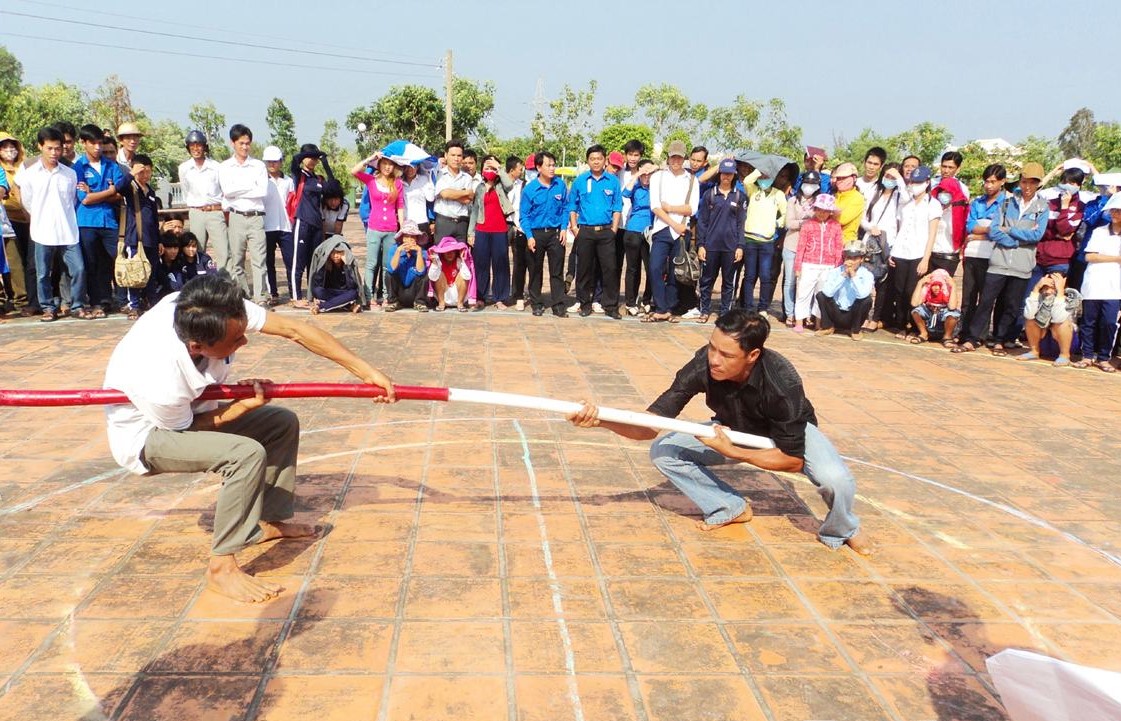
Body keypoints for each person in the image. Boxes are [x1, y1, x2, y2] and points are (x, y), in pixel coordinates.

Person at [103, 272, 395, 602]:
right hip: (148, 435)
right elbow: (187, 430)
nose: (245, 342)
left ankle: (265, 522)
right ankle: (221, 568)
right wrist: (240, 408)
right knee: (244, 454)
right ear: (198, 346)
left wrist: (366, 372)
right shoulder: (159, 373)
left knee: (279, 423)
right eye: (236, 340)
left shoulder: (210, 307)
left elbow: (295, 330)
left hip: (187, 413)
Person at [567, 309, 871, 553]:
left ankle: (842, 529)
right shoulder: (704, 364)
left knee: (836, 480)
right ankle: (729, 506)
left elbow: (792, 461)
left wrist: (732, 452)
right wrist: (602, 420)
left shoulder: (782, 381)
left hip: (785, 436)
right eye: (712, 347)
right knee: (665, 451)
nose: (714, 358)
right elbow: (650, 426)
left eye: (726, 355)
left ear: (752, 356)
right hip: (733, 430)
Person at [956, 162, 1049, 355]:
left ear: (1039, 184)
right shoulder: (1007, 203)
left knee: (1010, 305)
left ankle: (999, 340)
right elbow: (996, 230)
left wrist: (1011, 230)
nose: (1027, 187)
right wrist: (1016, 239)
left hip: (1022, 264)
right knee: (986, 301)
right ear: (1020, 181)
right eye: (1024, 182)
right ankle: (972, 338)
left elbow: (1037, 235)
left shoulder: (1042, 207)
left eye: (1033, 182)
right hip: (999, 261)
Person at [16, 127, 87, 321]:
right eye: (50, 148)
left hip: (68, 230)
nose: (54, 153)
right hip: (42, 231)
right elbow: (27, 202)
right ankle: (47, 307)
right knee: (42, 273)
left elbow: (73, 200)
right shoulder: (30, 174)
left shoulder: (69, 174)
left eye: (58, 148)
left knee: (78, 269)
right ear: (40, 147)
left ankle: (77, 305)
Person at [73, 123, 127, 317]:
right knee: (93, 264)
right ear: (83, 143)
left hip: (109, 220)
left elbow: (120, 193)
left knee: (118, 259)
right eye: (92, 143)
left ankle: (123, 300)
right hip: (87, 222)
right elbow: (84, 199)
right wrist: (109, 190)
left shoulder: (111, 165)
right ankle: (98, 302)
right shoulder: (78, 167)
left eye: (99, 143)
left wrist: (99, 192)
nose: (97, 147)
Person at [568, 144, 623, 319]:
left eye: (599, 158)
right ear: (588, 161)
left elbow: (617, 206)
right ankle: (585, 303)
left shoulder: (613, 181)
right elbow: (572, 206)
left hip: (606, 231)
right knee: (584, 270)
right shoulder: (580, 181)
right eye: (592, 159)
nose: (596, 162)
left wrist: (614, 228)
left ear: (605, 160)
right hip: (585, 231)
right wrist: (575, 227)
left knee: (610, 269)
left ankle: (610, 306)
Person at [646, 140, 699, 323]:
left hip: (683, 231)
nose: (676, 160)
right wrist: (672, 221)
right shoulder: (657, 177)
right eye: (673, 157)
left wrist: (671, 208)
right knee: (654, 268)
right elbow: (656, 206)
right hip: (662, 228)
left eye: (679, 157)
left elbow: (691, 209)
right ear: (668, 157)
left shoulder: (692, 180)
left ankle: (669, 307)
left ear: (684, 158)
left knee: (677, 271)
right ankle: (660, 305)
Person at [885, 166, 941, 336]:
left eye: (919, 182)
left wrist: (926, 259)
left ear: (927, 182)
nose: (915, 185)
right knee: (900, 290)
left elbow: (932, 234)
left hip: (918, 253)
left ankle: (914, 325)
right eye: (913, 182)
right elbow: (900, 229)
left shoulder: (933, 204)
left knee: (913, 291)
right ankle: (901, 324)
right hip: (902, 251)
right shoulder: (906, 204)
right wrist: (893, 251)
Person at [217, 124, 269, 305]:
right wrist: (249, 187)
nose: (245, 147)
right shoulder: (225, 167)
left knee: (259, 260)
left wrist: (238, 190)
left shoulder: (258, 166)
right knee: (236, 261)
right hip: (236, 217)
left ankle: (260, 297)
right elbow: (228, 191)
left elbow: (262, 191)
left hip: (256, 217)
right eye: (241, 143)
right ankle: (244, 296)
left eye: (248, 143)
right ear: (233, 143)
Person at [1074, 194, 1121, 371]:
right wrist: (1116, 258)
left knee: (1109, 322)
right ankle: (1086, 355)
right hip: (1094, 282)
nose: (1115, 213)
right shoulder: (1099, 232)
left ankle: (1103, 357)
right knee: (1088, 321)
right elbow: (1089, 256)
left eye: (1119, 210)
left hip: (1115, 287)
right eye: (1113, 209)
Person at [960, 165, 1007, 339]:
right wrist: (988, 229)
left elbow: (1000, 230)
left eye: (993, 182)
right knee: (968, 297)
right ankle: (964, 331)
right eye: (986, 181)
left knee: (986, 299)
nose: (988, 185)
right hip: (972, 255)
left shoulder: (1007, 203)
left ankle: (980, 335)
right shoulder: (977, 202)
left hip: (993, 257)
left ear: (1002, 182)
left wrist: (980, 234)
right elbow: (970, 226)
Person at [352, 152, 405, 306]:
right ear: (379, 165)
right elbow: (354, 171)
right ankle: (368, 297)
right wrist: (370, 159)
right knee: (371, 263)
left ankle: (386, 296)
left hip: (391, 228)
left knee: (387, 264)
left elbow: (400, 206)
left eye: (391, 165)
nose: (388, 167)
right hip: (374, 227)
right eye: (384, 164)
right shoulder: (371, 180)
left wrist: (402, 227)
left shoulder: (397, 183)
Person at [696, 158, 746, 323]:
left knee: (728, 283)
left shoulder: (739, 196)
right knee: (706, 280)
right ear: (719, 173)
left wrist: (740, 246)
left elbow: (741, 223)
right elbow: (702, 222)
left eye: (730, 174)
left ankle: (725, 314)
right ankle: (704, 310)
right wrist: (701, 245)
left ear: (734, 175)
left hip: (730, 247)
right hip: (710, 246)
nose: (726, 176)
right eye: (724, 173)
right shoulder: (709, 194)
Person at [520, 151, 569, 318]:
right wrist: (529, 236)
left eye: (554, 165)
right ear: (539, 167)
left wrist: (563, 228)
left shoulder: (560, 185)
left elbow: (565, 208)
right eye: (548, 165)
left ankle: (558, 304)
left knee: (557, 271)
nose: (552, 168)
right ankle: (537, 303)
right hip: (536, 234)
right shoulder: (530, 189)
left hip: (555, 234)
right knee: (535, 270)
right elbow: (524, 215)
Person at [288, 143, 332, 307]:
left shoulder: (318, 178)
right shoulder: (299, 175)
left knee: (314, 262)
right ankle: (296, 296)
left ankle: (313, 294)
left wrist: (325, 163)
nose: (312, 160)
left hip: (316, 224)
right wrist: (309, 154)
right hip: (302, 221)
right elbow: (294, 161)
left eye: (315, 158)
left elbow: (333, 186)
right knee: (298, 261)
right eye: (310, 157)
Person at [467, 155, 513, 310]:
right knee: (481, 264)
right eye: (487, 167)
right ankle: (480, 296)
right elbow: (474, 211)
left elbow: (509, 184)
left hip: (500, 230)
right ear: (482, 170)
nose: (490, 170)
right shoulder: (479, 188)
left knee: (501, 264)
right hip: (481, 230)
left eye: (492, 168)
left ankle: (500, 297)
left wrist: (498, 167)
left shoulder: (501, 186)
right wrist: (471, 233)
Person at [740, 163, 787, 314]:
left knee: (765, 276)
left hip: (767, 242)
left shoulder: (778, 194)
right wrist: (759, 170)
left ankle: (763, 307)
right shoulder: (753, 190)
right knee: (749, 275)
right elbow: (746, 181)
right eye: (762, 177)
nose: (764, 179)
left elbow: (785, 214)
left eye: (768, 176)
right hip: (750, 240)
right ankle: (747, 307)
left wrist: (777, 223)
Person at [859, 164, 901, 331]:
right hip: (869, 242)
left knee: (882, 283)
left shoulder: (900, 197)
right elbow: (863, 218)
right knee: (865, 280)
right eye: (887, 176)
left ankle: (876, 318)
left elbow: (900, 224)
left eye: (893, 177)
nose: (889, 180)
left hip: (888, 244)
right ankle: (863, 316)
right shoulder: (873, 193)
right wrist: (870, 227)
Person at [792, 193, 843, 333]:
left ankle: (819, 321)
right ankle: (799, 321)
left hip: (828, 265)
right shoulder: (808, 225)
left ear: (830, 212)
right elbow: (801, 246)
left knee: (822, 294)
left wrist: (838, 265)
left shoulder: (835, 226)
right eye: (819, 210)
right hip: (809, 263)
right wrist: (798, 266)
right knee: (803, 292)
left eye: (825, 210)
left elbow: (839, 247)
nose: (822, 213)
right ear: (815, 209)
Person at [119, 153, 161, 318]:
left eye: (148, 172)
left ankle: (151, 301)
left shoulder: (150, 190)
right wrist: (131, 174)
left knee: (151, 273)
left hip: (151, 240)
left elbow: (155, 218)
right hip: (135, 239)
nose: (145, 175)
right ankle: (134, 305)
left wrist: (159, 240)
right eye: (142, 172)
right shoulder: (131, 187)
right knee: (135, 273)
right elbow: (118, 188)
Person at [0, 132, 36, 315]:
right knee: (8, 262)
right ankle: (9, 298)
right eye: (4, 147)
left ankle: (23, 299)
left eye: (11, 146)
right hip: (8, 217)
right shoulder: (1, 169)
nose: (9, 150)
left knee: (20, 262)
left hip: (26, 218)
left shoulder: (25, 166)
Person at [178, 130, 227, 257]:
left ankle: (225, 277)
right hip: (196, 212)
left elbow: (224, 191)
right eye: (192, 146)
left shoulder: (216, 167)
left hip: (215, 212)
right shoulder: (184, 168)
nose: (196, 149)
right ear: (188, 148)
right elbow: (185, 190)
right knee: (195, 251)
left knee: (224, 251)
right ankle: (199, 276)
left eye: (198, 145)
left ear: (204, 147)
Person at [782, 171, 821, 327]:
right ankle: (790, 313)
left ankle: (807, 313)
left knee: (808, 282)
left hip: (810, 248)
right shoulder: (793, 201)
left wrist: (802, 222)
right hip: (791, 245)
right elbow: (789, 223)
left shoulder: (819, 202)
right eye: (807, 183)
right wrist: (805, 223)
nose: (809, 187)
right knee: (790, 281)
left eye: (813, 184)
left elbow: (819, 222)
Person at [1018, 273, 1079, 367]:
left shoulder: (1071, 297)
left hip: (1064, 342)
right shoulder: (1039, 296)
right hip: (1044, 341)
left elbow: (1059, 318)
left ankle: (1064, 356)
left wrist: (1060, 292)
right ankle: (1034, 351)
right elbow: (1029, 314)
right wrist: (1036, 288)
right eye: (1046, 288)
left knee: (1062, 323)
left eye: (1053, 287)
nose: (1049, 291)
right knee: (1030, 320)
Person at [815, 243, 875, 339]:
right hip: (836, 312)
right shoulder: (836, 272)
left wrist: (853, 276)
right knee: (821, 295)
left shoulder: (867, 275)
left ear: (861, 259)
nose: (851, 261)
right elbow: (827, 292)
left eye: (855, 259)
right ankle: (828, 326)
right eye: (848, 258)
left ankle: (855, 330)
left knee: (867, 300)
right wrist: (843, 275)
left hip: (853, 314)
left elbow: (863, 294)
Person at [621, 159, 656, 316]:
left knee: (651, 268)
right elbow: (625, 193)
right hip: (634, 230)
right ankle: (630, 301)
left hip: (651, 231)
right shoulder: (635, 186)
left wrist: (653, 169)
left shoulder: (657, 188)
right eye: (644, 174)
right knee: (632, 268)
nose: (646, 177)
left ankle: (647, 299)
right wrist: (637, 175)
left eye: (650, 174)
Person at [262, 145, 293, 305]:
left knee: (290, 261)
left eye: (275, 161)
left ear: (281, 162)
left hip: (286, 227)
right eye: (269, 162)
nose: (272, 165)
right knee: (269, 262)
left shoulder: (289, 181)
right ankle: (273, 293)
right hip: (267, 226)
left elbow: (293, 202)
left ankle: (294, 293)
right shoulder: (261, 181)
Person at [309, 237, 365, 314]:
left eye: (338, 253)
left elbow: (352, 286)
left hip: (344, 292)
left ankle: (321, 306)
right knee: (317, 291)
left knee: (353, 293)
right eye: (333, 253)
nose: (335, 256)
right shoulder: (326, 263)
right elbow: (318, 283)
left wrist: (347, 266)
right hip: (330, 292)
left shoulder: (348, 264)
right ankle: (348, 305)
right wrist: (324, 266)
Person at [433, 140, 474, 242]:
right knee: (441, 255)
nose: (456, 159)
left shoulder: (467, 178)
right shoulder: (439, 174)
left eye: (459, 156)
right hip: (444, 222)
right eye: (453, 155)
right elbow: (445, 193)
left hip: (462, 223)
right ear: (446, 155)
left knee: (462, 256)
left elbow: (468, 200)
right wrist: (465, 192)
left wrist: (452, 193)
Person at [386, 220, 431, 312]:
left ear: (417, 239)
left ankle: (420, 302)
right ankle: (393, 302)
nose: (409, 240)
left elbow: (421, 271)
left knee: (425, 276)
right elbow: (391, 269)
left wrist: (418, 253)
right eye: (406, 236)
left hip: (414, 291)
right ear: (402, 238)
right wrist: (398, 252)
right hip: (400, 290)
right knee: (388, 274)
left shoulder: (422, 251)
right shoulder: (394, 249)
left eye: (412, 237)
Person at [909, 269, 961, 346]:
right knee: (916, 311)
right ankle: (924, 333)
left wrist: (953, 286)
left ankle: (947, 337)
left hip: (943, 322)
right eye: (934, 285)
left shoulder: (948, 291)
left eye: (939, 285)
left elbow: (952, 307)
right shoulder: (928, 292)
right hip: (930, 323)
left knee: (953, 314)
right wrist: (920, 283)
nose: (936, 288)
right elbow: (914, 303)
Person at [504, 155, 529, 311]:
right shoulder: (501, 184)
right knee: (501, 259)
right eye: (520, 169)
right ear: (512, 170)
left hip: (519, 225)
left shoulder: (524, 185)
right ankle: (502, 291)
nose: (522, 171)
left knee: (520, 261)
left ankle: (517, 292)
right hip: (503, 225)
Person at [427, 235, 473, 312]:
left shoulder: (459, 261)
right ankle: (441, 303)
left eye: (452, 251)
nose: (450, 254)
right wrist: (434, 263)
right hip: (443, 293)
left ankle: (460, 303)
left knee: (462, 275)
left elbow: (467, 277)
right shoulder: (438, 261)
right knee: (440, 274)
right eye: (447, 252)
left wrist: (463, 260)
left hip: (458, 294)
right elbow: (432, 277)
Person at [831, 162, 866, 243]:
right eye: (839, 178)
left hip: (846, 242)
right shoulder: (834, 195)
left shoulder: (858, 197)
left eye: (844, 178)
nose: (840, 181)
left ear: (854, 178)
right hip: (829, 240)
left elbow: (842, 220)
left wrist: (828, 214)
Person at [150, 232, 184, 300]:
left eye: (175, 248)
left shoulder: (180, 262)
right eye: (169, 248)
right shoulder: (157, 263)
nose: (173, 251)